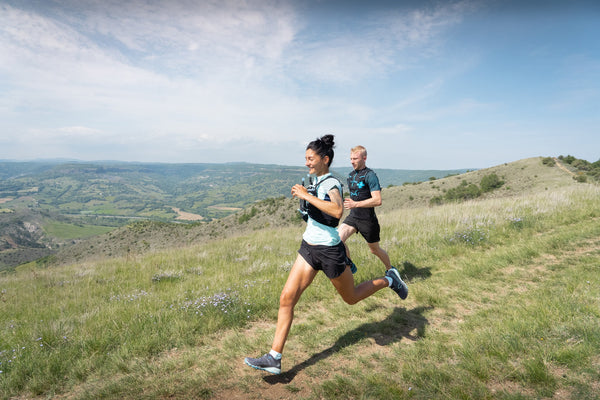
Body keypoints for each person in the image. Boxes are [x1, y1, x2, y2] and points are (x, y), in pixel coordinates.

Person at [244, 135, 408, 375]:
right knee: (286, 299)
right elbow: (321, 214)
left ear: (325, 159)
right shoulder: (316, 180)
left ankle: (390, 280)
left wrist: (306, 196)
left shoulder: (331, 183)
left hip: (330, 251)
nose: (307, 163)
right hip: (309, 247)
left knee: (351, 298)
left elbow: (338, 210)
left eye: (311, 159)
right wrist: (306, 208)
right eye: (306, 159)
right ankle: (274, 358)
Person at [338, 146, 394, 273]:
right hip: (353, 217)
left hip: (367, 220)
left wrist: (355, 204)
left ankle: (390, 270)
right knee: (336, 240)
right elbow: (356, 195)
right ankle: (349, 266)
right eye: (351, 158)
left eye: (355, 158)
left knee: (374, 250)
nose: (352, 161)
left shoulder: (371, 175)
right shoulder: (351, 175)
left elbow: (377, 200)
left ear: (364, 158)